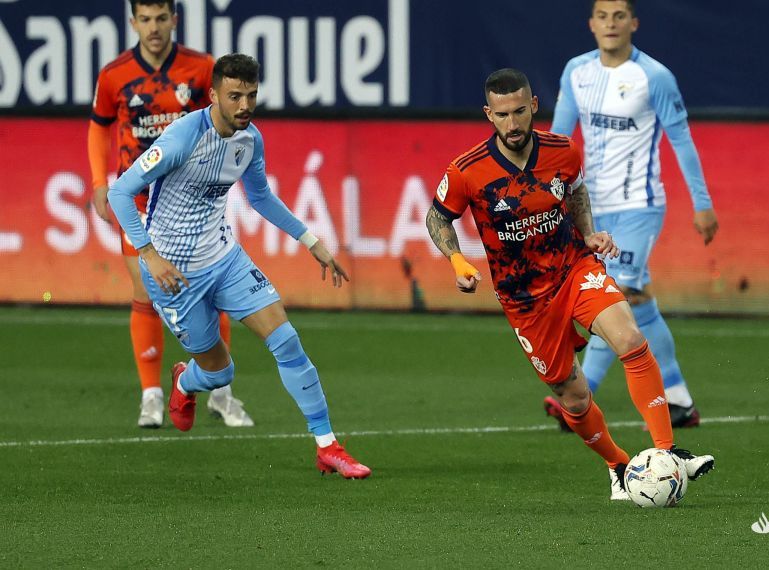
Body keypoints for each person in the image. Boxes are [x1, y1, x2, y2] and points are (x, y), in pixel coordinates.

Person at [425, 68, 712, 500]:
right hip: (524, 299)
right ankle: (618, 466)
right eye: (502, 115)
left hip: (573, 267)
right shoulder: (468, 170)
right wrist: (456, 259)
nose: (513, 123)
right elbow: (437, 217)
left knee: (630, 338)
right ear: (489, 114)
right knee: (574, 399)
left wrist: (590, 232)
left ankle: (667, 452)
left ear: (534, 106)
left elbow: (577, 192)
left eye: (520, 111)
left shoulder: (563, 151)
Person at [107, 53, 371, 479]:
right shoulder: (181, 137)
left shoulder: (251, 139)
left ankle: (327, 446)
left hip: (225, 259)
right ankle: (184, 382)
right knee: (219, 372)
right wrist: (149, 255)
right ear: (213, 95)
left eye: (250, 94)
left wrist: (310, 240)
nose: (244, 104)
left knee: (287, 342)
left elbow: (261, 197)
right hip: (174, 277)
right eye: (234, 96)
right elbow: (120, 193)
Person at [547, 0, 719, 429]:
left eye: (619, 16)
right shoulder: (576, 72)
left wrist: (702, 203)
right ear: (590, 24)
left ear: (633, 23)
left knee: (618, 290)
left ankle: (582, 393)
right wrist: (543, 192)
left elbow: (681, 140)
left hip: (640, 206)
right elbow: (558, 138)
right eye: (602, 16)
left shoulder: (654, 77)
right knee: (636, 300)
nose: (610, 24)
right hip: (591, 209)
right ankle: (678, 400)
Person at [89, 0, 253, 429]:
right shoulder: (114, 74)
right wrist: (98, 182)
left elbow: (221, 119)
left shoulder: (201, 69)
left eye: (162, 17)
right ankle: (151, 395)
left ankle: (221, 392)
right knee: (145, 295)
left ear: (174, 20)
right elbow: (99, 125)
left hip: (189, 200)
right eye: (145, 19)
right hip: (138, 201)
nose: (154, 27)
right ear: (133, 23)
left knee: (212, 288)